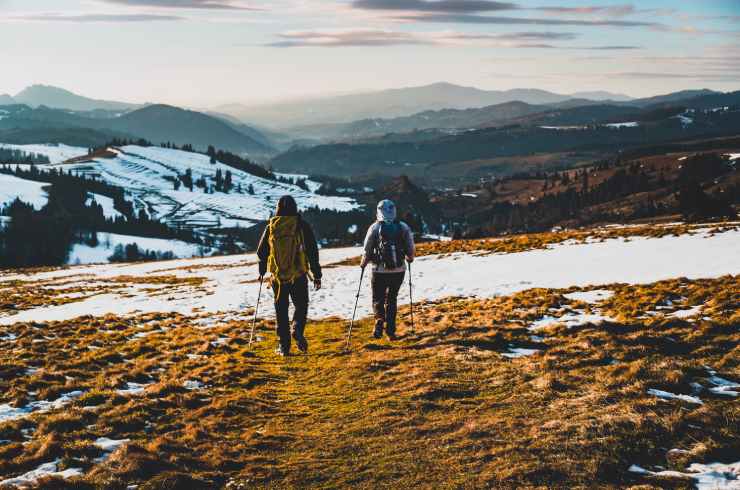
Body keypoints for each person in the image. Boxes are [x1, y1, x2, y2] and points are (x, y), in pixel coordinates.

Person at [257, 195, 322, 356]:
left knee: (281, 310)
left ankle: (284, 347)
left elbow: (261, 252)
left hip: (278, 277)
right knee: (301, 305)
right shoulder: (301, 225)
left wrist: (262, 271)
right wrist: (317, 274)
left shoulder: (272, 226)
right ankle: (297, 329)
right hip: (298, 274)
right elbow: (312, 251)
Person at [360, 199, 415, 340]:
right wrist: (410, 257)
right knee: (392, 299)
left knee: (378, 297)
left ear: (379, 211)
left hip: (379, 271)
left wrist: (363, 263)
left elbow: (367, 249)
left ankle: (379, 319)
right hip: (398, 270)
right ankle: (390, 332)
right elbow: (410, 248)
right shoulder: (403, 227)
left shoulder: (374, 227)